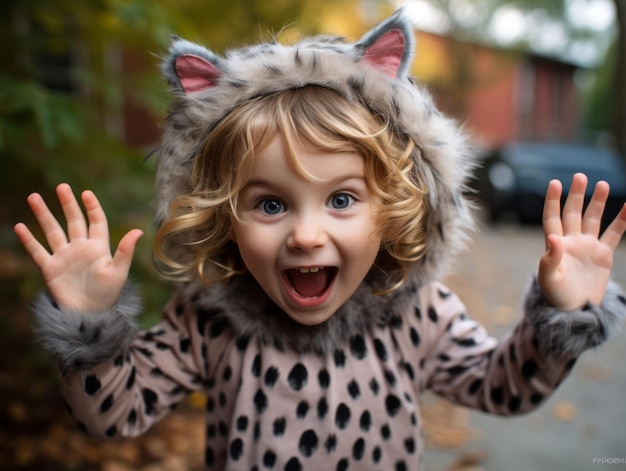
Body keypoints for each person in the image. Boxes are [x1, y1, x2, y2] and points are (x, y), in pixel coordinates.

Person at [14, 9, 626, 471]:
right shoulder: (210, 324)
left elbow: (502, 386)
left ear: (391, 209)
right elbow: (116, 414)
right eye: (271, 204)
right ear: (225, 217)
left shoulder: (418, 315)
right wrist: (89, 327)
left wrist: (561, 319)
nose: (307, 236)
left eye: (340, 200)